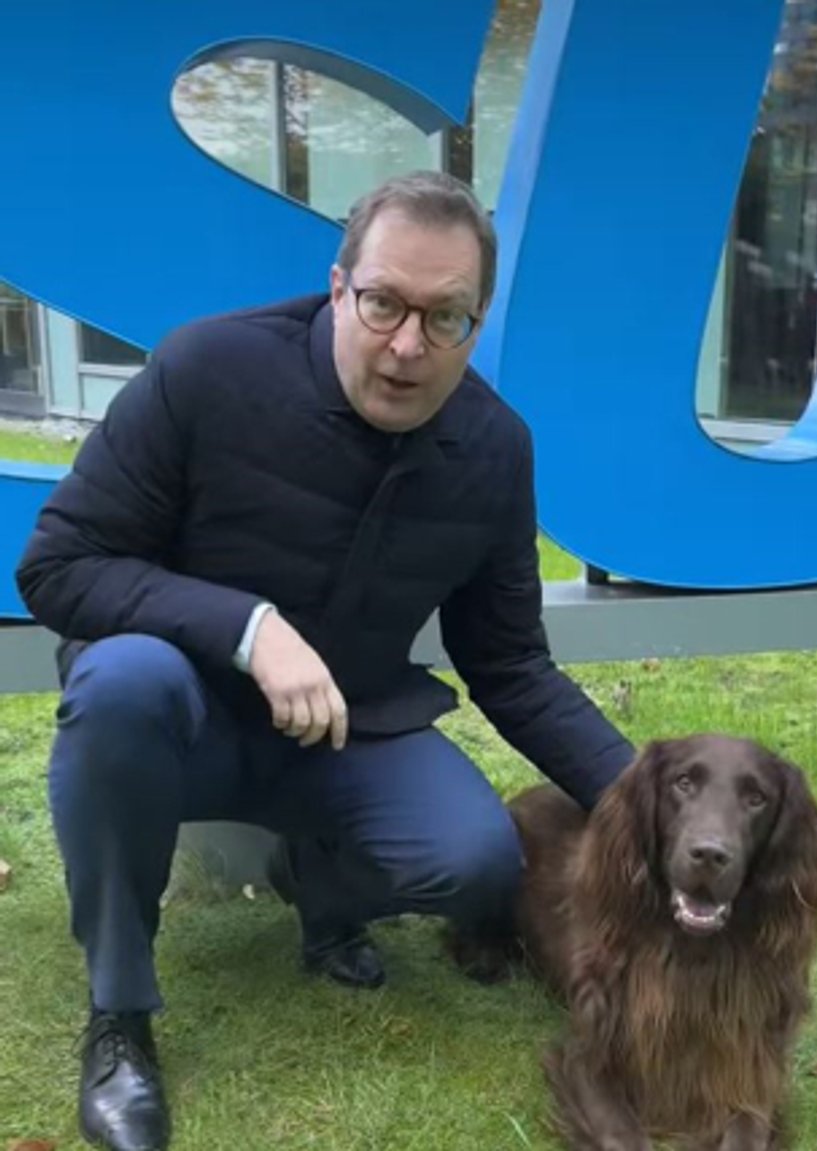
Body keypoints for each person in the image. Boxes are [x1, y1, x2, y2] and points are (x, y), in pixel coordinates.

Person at [15, 170, 636, 1151]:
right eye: (384, 301)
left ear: (477, 323)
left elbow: (510, 662)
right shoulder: (205, 369)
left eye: (444, 318)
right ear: (338, 283)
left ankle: (322, 890)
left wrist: (642, 798)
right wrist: (249, 628)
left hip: (347, 731)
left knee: (479, 859)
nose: (405, 345)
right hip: (178, 713)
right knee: (122, 680)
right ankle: (120, 1015)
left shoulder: (494, 448)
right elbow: (58, 567)